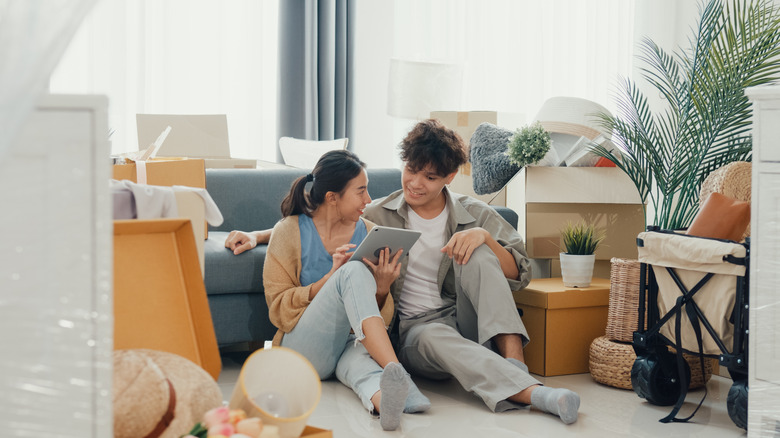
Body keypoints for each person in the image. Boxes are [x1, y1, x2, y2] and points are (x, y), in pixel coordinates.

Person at [359, 119, 580, 424]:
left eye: (430, 177)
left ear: (449, 177)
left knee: (478, 251)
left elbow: (521, 274)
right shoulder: (376, 216)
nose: (415, 183)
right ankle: (537, 394)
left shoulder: (474, 212)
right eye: (411, 170)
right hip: (416, 333)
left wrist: (485, 237)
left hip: (468, 321)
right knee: (435, 335)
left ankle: (515, 365)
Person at [250, 149, 429, 431]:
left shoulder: (370, 231)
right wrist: (332, 278)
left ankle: (387, 403)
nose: (368, 200)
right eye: (360, 191)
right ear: (333, 197)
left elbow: (376, 317)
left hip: (350, 344)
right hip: (303, 350)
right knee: (353, 271)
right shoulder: (289, 231)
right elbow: (278, 308)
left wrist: (382, 288)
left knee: (366, 374)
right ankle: (399, 372)